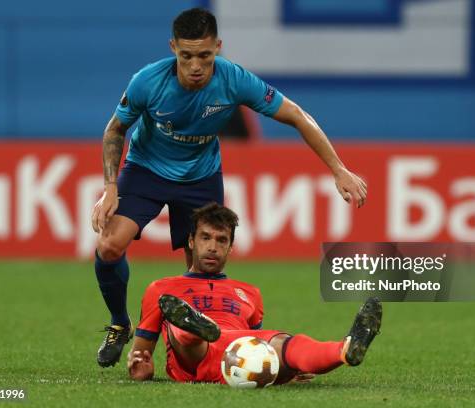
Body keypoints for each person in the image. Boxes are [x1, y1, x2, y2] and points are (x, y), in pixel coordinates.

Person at [91, 7, 368, 367]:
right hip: (146, 169)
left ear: (217, 48)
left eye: (205, 56)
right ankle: (120, 322)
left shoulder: (235, 80)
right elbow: (115, 129)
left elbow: (297, 115)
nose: (195, 66)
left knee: (200, 273)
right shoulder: (148, 81)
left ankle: (190, 355)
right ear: (173, 47)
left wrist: (339, 169)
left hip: (200, 176)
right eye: (186, 55)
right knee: (110, 245)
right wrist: (110, 186)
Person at [126, 203, 382, 384]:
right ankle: (194, 326)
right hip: (193, 361)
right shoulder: (162, 289)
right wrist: (140, 366)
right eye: (205, 238)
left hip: (236, 355)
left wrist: (283, 367)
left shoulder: (249, 293)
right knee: (184, 332)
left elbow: (256, 342)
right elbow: (141, 352)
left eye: (221, 240)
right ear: (191, 241)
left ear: (231, 247)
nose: (213, 247)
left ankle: (345, 350)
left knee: (282, 342)